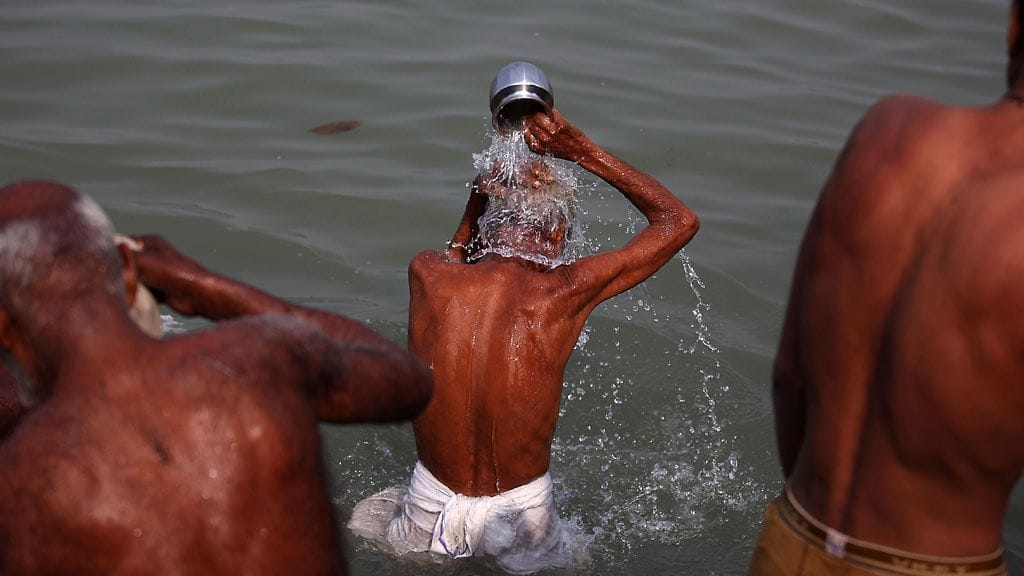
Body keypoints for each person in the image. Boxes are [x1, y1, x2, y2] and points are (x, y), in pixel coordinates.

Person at [0, 181, 433, 575]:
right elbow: (406, 381)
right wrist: (203, 285)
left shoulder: (22, 482)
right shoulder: (257, 363)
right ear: (129, 274)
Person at [349, 108, 699, 572]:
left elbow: (459, 249)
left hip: (427, 513)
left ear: (488, 224)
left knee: (366, 519)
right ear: (556, 236)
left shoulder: (429, 274)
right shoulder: (564, 290)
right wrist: (582, 151)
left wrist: (479, 196)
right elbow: (678, 221)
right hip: (521, 522)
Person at [748, 5, 1024, 575]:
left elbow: (790, 378)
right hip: (939, 562)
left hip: (792, 537)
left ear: (1014, 25)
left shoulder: (888, 129)